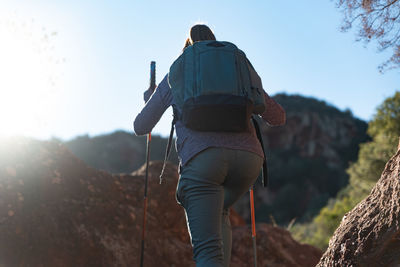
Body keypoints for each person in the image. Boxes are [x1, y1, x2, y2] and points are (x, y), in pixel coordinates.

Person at [133, 24, 285, 267]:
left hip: (203, 160)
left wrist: (152, 98)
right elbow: (278, 116)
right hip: (249, 161)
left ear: (187, 46)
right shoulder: (237, 66)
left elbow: (141, 125)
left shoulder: (179, 69)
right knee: (220, 211)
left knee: (207, 253)